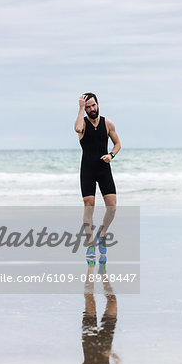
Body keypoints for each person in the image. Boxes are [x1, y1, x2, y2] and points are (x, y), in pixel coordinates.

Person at [74, 93, 121, 255]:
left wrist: (111, 155)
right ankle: (90, 244)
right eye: (88, 107)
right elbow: (77, 129)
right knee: (89, 206)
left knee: (112, 208)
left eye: (93, 105)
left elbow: (117, 144)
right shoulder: (83, 124)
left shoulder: (107, 123)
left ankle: (102, 234)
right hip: (87, 169)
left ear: (98, 104)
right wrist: (80, 107)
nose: (91, 109)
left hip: (103, 169)